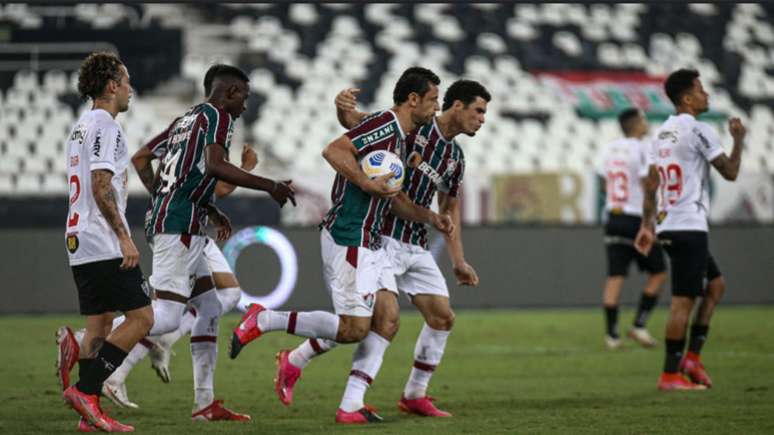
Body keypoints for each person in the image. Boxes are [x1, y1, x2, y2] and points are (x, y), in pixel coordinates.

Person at [228, 67, 454, 423]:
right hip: (350, 235)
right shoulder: (387, 125)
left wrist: (430, 217)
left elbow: (364, 142)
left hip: (371, 240)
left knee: (387, 319)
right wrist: (365, 182)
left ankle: (350, 405)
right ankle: (265, 318)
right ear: (413, 100)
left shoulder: (400, 133)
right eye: (433, 101)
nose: (436, 109)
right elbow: (334, 150)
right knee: (353, 328)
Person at [271, 78, 489, 422]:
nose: (483, 118)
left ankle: (414, 394)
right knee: (379, 321)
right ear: (457, 106)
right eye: (478, 110)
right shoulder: (416, 123)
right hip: (382, 237)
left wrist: (459, 259)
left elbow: (450, 209)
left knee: (442, 316)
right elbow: (362, 125)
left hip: (415, 243)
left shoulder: (454, 158)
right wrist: (342, 110)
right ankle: (347, 400)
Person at [144, 63, 295, 420]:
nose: (245, 105)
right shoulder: (217, 117)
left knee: (212, 305)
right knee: (165, 317)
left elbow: (144, 160)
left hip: (184, 222)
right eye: (244, 96)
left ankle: (204, 404)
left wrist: (175, 200)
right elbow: (216, 167)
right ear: (230, 92)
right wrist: (269, 184)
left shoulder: (186, 120)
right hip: (178, 226)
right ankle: (90, 339)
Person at [634, 69, 745, 391]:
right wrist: (739, 139)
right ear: (687, 98)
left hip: (670, 224)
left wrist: (646, 225)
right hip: (688, 225)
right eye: (700, 90)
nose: (706, 95)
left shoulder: (663, 133)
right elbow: (731, 172)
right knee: (683, 301)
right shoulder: (699, 130)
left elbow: (652, 183)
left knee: (716, 285)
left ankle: (692, 359)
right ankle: (670, 374)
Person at [60, 51, 154, 432]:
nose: (131, 89)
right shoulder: (106, 126)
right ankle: (86, 390)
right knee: (142, 318)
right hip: (101, 239)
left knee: (98, 326)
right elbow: (101, 186)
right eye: (127, 82)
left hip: (78, 239)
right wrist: (123, 236)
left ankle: (90, 415)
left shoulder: (81, 126)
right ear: (113, 86)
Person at [596, 108, 667, 349]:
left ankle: (612, 336)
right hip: (636, 219)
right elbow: (650, 185)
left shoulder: (608, 149)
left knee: (615, 279)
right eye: (643, 120)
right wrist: (650, 223)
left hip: (613, 218)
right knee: (658, 271)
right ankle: (639, 325)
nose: (646, 124)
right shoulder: (643, 148)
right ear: (636, 124)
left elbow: (603, 184)